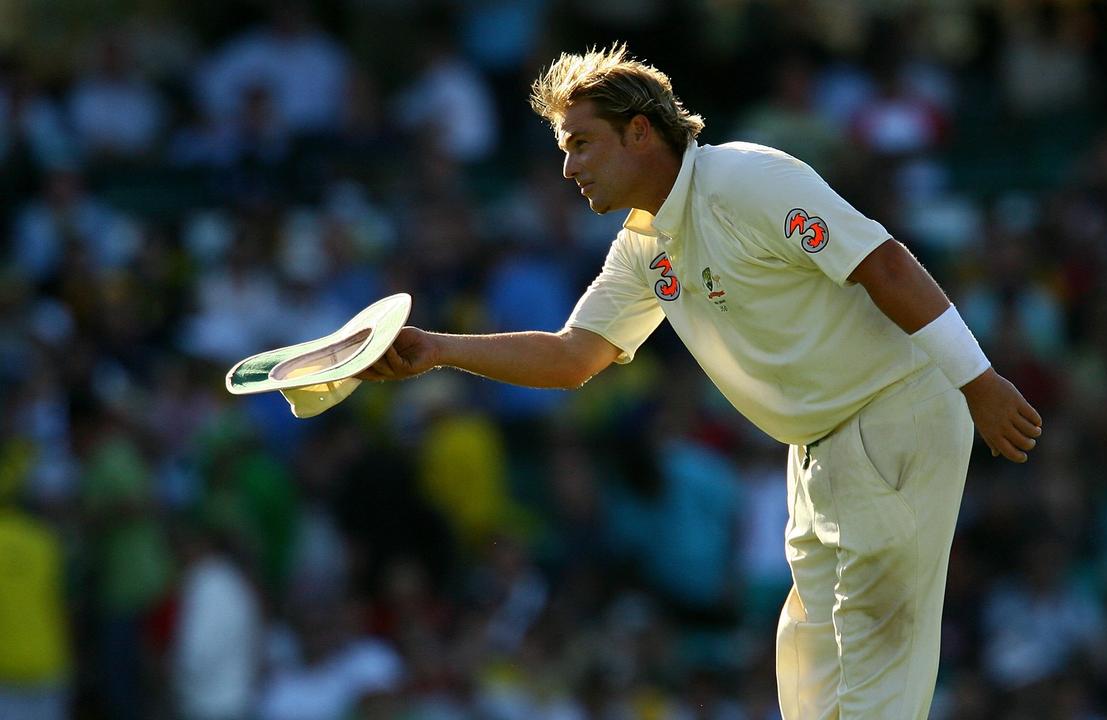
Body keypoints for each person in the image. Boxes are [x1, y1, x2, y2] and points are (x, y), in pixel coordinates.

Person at [360, 43, 1042, 719]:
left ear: (639, 131)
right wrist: (436, 349)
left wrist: (976, 379)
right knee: (809, 664)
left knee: (874, 650)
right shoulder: (644, 245)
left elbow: (883, 263)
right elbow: (575, 356)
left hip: (895, 411)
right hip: (817, 447)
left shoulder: (745, 179)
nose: (569, 168)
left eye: (582, 144)